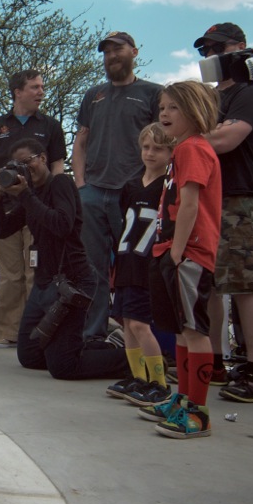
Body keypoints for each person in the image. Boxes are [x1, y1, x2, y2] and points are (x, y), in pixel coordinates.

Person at [0, 138, 127, 380]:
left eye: (27, 162)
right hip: (45, 282)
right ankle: (89, 349)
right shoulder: (31, 194)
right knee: (30, 356)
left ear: (43, 158)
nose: (25, 168)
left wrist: (25, 196)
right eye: (17, 165)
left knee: (64, 367)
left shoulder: (61, 183)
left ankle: (130, 359)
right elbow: (3, 230)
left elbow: (62, 225)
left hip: (72, 282)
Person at [196, 22, 253, 403]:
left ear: (239, 48)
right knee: (206, 285)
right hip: (205, 197)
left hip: (240, 198)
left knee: (244, 285)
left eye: (216, 48)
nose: (210, 57)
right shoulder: (208, 98)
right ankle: (213, 361)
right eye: (205, 50)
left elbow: (227, 139)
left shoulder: (250, 92)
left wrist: (189, 139)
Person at [139, 81, 221, 439]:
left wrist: (177, 250)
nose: (165, 114)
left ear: (194, 110)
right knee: (182, 330)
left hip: (189, 252)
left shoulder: (194, 149)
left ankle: (198, 412)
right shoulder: (182, 149)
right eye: (162, 107)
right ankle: (183, 398)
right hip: (174, 250)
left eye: (173, 107)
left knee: (194, 330)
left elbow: (190, 204)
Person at [73, 33, 162, 342]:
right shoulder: (93, 94)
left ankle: (140, 338)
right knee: (92, 269)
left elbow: (162, 143)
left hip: (134, 193)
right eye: (107, 51)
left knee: (134, 269)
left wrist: (149, 185)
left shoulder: (153, 93)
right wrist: (81, 183)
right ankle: (91, 336)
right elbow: (81, 140)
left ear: (134, 52)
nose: (111, 55)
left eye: (118, 49)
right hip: (94, 191)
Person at [0, 70, 66, 348]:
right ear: (17, 91)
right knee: (11, 273)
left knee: (35, 271)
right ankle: (8, 333)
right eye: (34, 87)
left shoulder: (50, 125)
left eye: (42, 87)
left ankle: (37, 334)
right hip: (5, 210)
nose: (40, 92)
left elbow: (57, 166)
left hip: (38, 209)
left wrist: (50, 198)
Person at [104, 124, 174, 406]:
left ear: (171, 152)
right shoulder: (132, 185)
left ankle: (159, 381)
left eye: (158, 148)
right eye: (146, 147)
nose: (150, 153)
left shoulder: (168, 186)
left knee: (141, 324)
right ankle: (138, 376)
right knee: (127, 324)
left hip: (147, 263)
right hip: (126, 259)